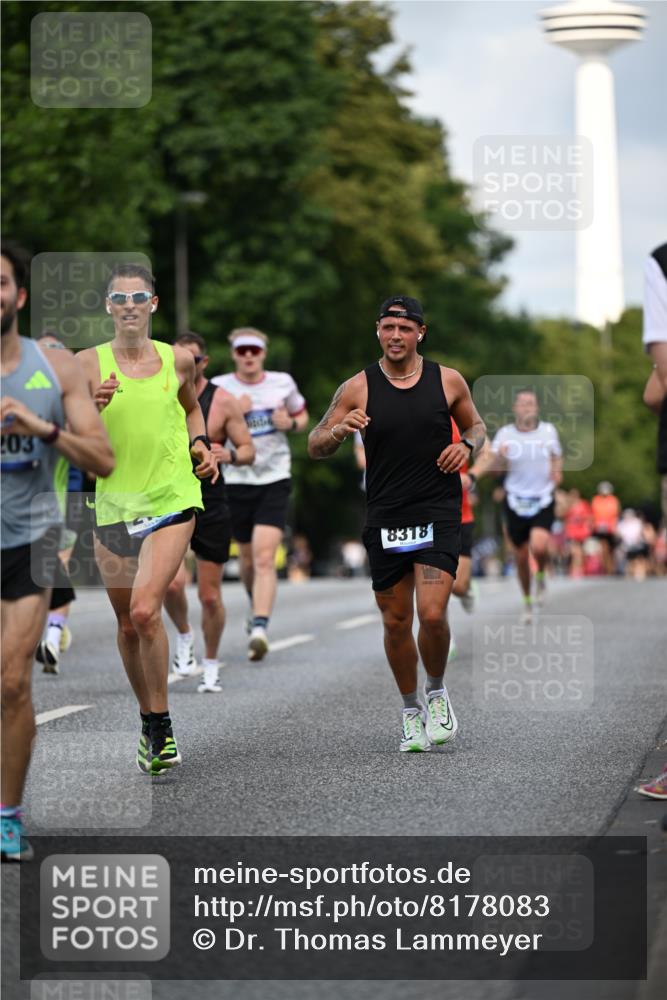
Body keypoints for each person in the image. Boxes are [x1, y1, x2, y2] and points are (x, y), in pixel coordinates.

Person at [308, 295, 485, 753]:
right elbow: (315, 443)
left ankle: (437, 690)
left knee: (431, 613)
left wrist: (465, 446)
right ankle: (410, 711)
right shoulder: (357, 387)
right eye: (388, 328)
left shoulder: (447, 381)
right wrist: (340, 430)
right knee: (395, 621)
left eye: (405, 329)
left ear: (420, 333)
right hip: (386, 515)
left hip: (438, 511)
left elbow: (478, 428)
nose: (395, 336)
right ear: (378, 330)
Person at [77, 264, 217, 775]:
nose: (130, 304)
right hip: (114, 503)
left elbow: (193, 408)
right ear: (109, 306)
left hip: (172, 496)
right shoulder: (85, 365)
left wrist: (199, 444)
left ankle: (161, 725)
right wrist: (88, 410)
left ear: (153, 305)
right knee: (125, 624)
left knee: (143, 612)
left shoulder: (177, 360)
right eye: (120, 297)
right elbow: (68, 431)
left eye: (139, 296)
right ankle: (147, 717)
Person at [1, 243, 114, 861]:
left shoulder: (56, 370)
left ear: (19, 295)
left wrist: (41, 428)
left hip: (30, 538)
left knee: (12, 681)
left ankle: (7, 817)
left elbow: (102, 458)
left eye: (0, 282)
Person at [164, 333, 254, 692]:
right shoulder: (161, 392)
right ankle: (185, 635)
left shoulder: (223, 402)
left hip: (212, 499)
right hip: (170, 497)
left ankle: (212, 663)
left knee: (209, 595)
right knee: (171, 584)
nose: (188, 366)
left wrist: (224, 454)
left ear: (204, 362)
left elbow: (248, 449)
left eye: (195, 361)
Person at [211, 328, 308, 661]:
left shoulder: (282, 382)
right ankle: (256, 608)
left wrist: (290, 424)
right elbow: (205, 429)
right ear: (234, 354)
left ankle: (260, 628)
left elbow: (301, 416)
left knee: (266, 557)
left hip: (274, 477)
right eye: (242, 351)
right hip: (235, 478)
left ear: (263, 353)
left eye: (254, 350)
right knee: (248, 560)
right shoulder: (221, 386)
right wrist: (233, 411)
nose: (249, 356)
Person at [468, 389, 562, 622]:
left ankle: (540, 575)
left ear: (537, 408)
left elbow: (556, 455)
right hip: (515, 500)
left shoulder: (548, 432)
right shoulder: (505, 435)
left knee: (539, 547)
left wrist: (556, 472)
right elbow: (493, 472)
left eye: (530, 403)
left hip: (542, 498)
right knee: (520, 557)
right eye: (522, 404)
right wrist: (500, 458)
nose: (526, 407)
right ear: (515, 409)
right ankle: (528, 602)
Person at [591, 481, 621, 576]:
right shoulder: (596, 500)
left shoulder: (613, 500)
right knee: (604, 548)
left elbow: (615, 514)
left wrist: (615, 527)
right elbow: (594, 514)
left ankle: (612, 567)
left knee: (611, 550)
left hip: (610, 529)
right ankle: (607, 568)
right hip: (599, 528)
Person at [563, 488, 593, 577]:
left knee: (579, 551)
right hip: (571, 530)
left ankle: (578, 568)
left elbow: (589, 517)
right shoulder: (568, 505)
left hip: (581, 530)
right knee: (574, 551)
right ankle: (576, 568)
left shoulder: (583, 504)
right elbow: (562, 516)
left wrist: (588, 527)